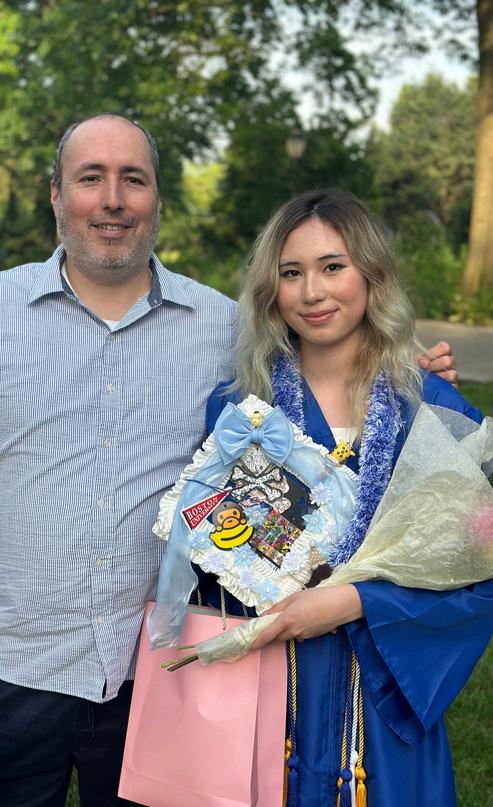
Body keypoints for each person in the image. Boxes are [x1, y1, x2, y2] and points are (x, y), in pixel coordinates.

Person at [0, 117, 457, 806]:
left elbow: (322, 347)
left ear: (157, 198)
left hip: (159, 671)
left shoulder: (221, 328)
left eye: (133, 179)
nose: (113, 199)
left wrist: (409, 365)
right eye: (90, 178)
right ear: (56, 195)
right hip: (12, 666)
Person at [199, 189, 493, 806]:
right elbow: (210, 556)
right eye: (291, 273)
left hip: (382, 710)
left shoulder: (432, 414)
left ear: (372, 274)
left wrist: (355, 600)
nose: (312, 292)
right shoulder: (239, 414)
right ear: (270, 289)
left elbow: (477, 570)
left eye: (333, 266)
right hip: (269, 701)